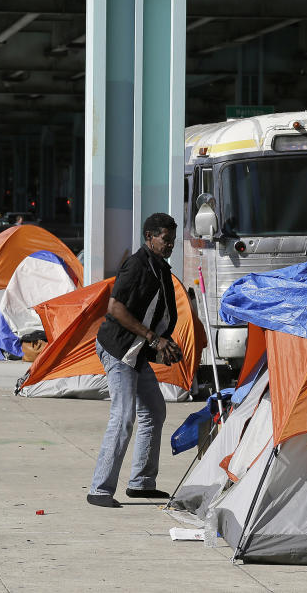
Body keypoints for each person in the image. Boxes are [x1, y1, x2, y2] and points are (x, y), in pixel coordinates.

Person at [87, 212, 182, 508]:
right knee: (124, 415)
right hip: (118, 350)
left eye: (173, 240)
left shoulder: (161, 270)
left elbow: (160, 314)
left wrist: (165, 344)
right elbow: (115, 308)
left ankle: (141, 484)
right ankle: (99, 489)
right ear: (149, 237)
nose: (170, 245)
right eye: (165, 240)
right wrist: (154, 339)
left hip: (137, 352)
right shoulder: (136, 265)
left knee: (154, 410)